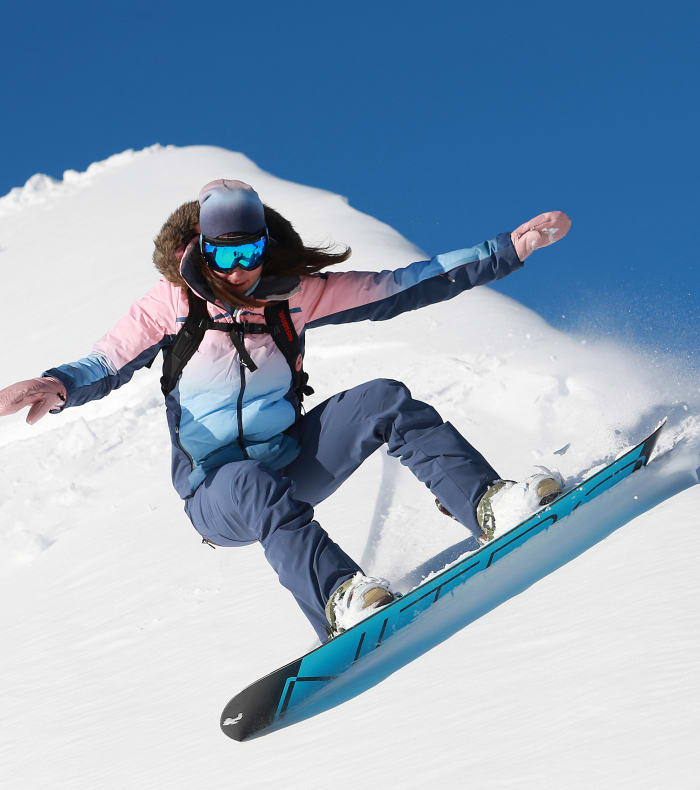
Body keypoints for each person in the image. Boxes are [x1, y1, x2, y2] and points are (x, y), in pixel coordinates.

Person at [0, 179, 571, 642]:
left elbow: (399, 286)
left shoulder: (293, 296)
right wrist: (57, 384)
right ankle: (339, 599)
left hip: (291, 459)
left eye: (248, 252)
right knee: (250, 482)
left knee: (385, 399)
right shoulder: (171, 305)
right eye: (222, 254)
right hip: (217, 494)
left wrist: (504, 251)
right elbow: (106, 361)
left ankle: (487, 503)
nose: (236, 269)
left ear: (264, 247)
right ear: (200, 250)